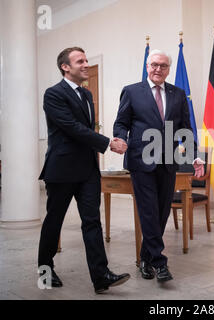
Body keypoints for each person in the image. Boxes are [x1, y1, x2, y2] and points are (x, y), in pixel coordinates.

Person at [38, 47, 130, 294]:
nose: (86, 64)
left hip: (88, 169)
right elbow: (71, 127)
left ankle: (101, 276)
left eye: (87, 60)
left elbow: (83, 129)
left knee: (92, 222)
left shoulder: (87, 95)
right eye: (80, 61)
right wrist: (108, 143)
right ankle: (45, 269)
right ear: (65, 67)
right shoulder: (53, 94)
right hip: (61, 168)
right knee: (54, 221)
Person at [113, 50, 204, 282]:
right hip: (140, 160)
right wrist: (120, 138)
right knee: (148, 211)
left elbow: (185, 127)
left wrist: (194, 155)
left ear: (168, 69)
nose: (158, 69)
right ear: (147, 66)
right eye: (154, 64)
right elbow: (122, 122)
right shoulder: (132, 91)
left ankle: (145, 258)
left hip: (168, 161)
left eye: (163, 66)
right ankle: (160, 263)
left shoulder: (178, 93)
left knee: (162, 212)